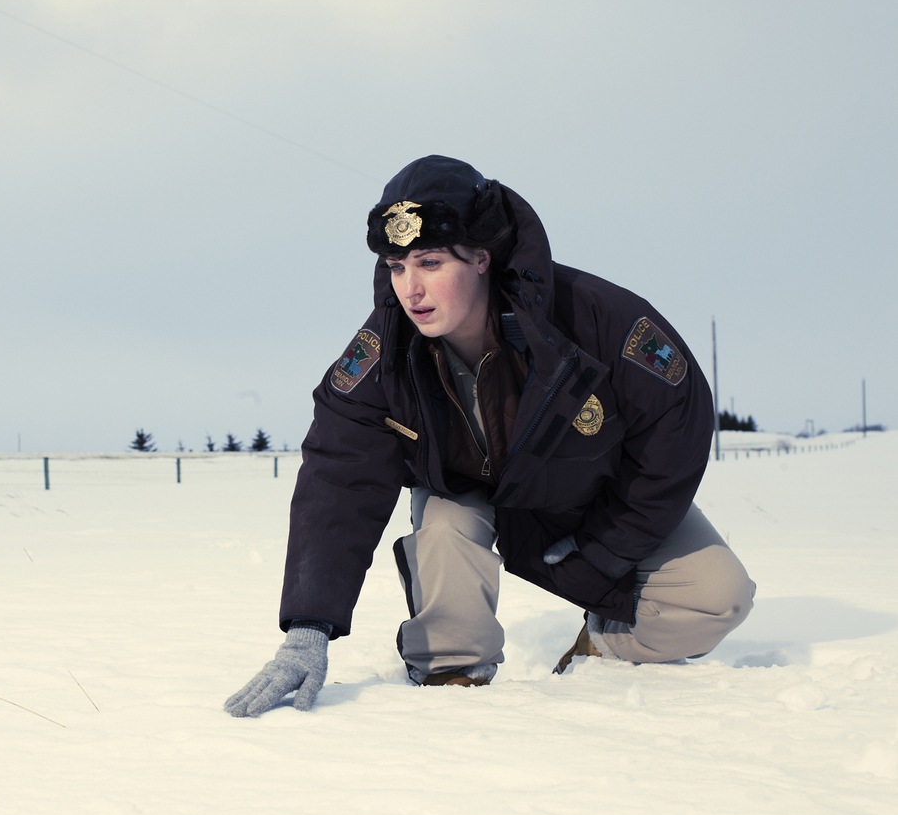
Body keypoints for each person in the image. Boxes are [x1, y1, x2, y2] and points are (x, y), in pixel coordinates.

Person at [224, 155, 754, 717]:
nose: (411, 288)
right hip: (465, 493)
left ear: (481, 257)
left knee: (718, 598)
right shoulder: (382, 353)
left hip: (593, 498)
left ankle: (602, 646)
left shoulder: (597, 319)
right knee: (447, 535)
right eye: (396, 266)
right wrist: (309, 628)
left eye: (429, 262)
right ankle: (453, 688)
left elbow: (674, 434)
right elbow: (338, 473)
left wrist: (601, 553)